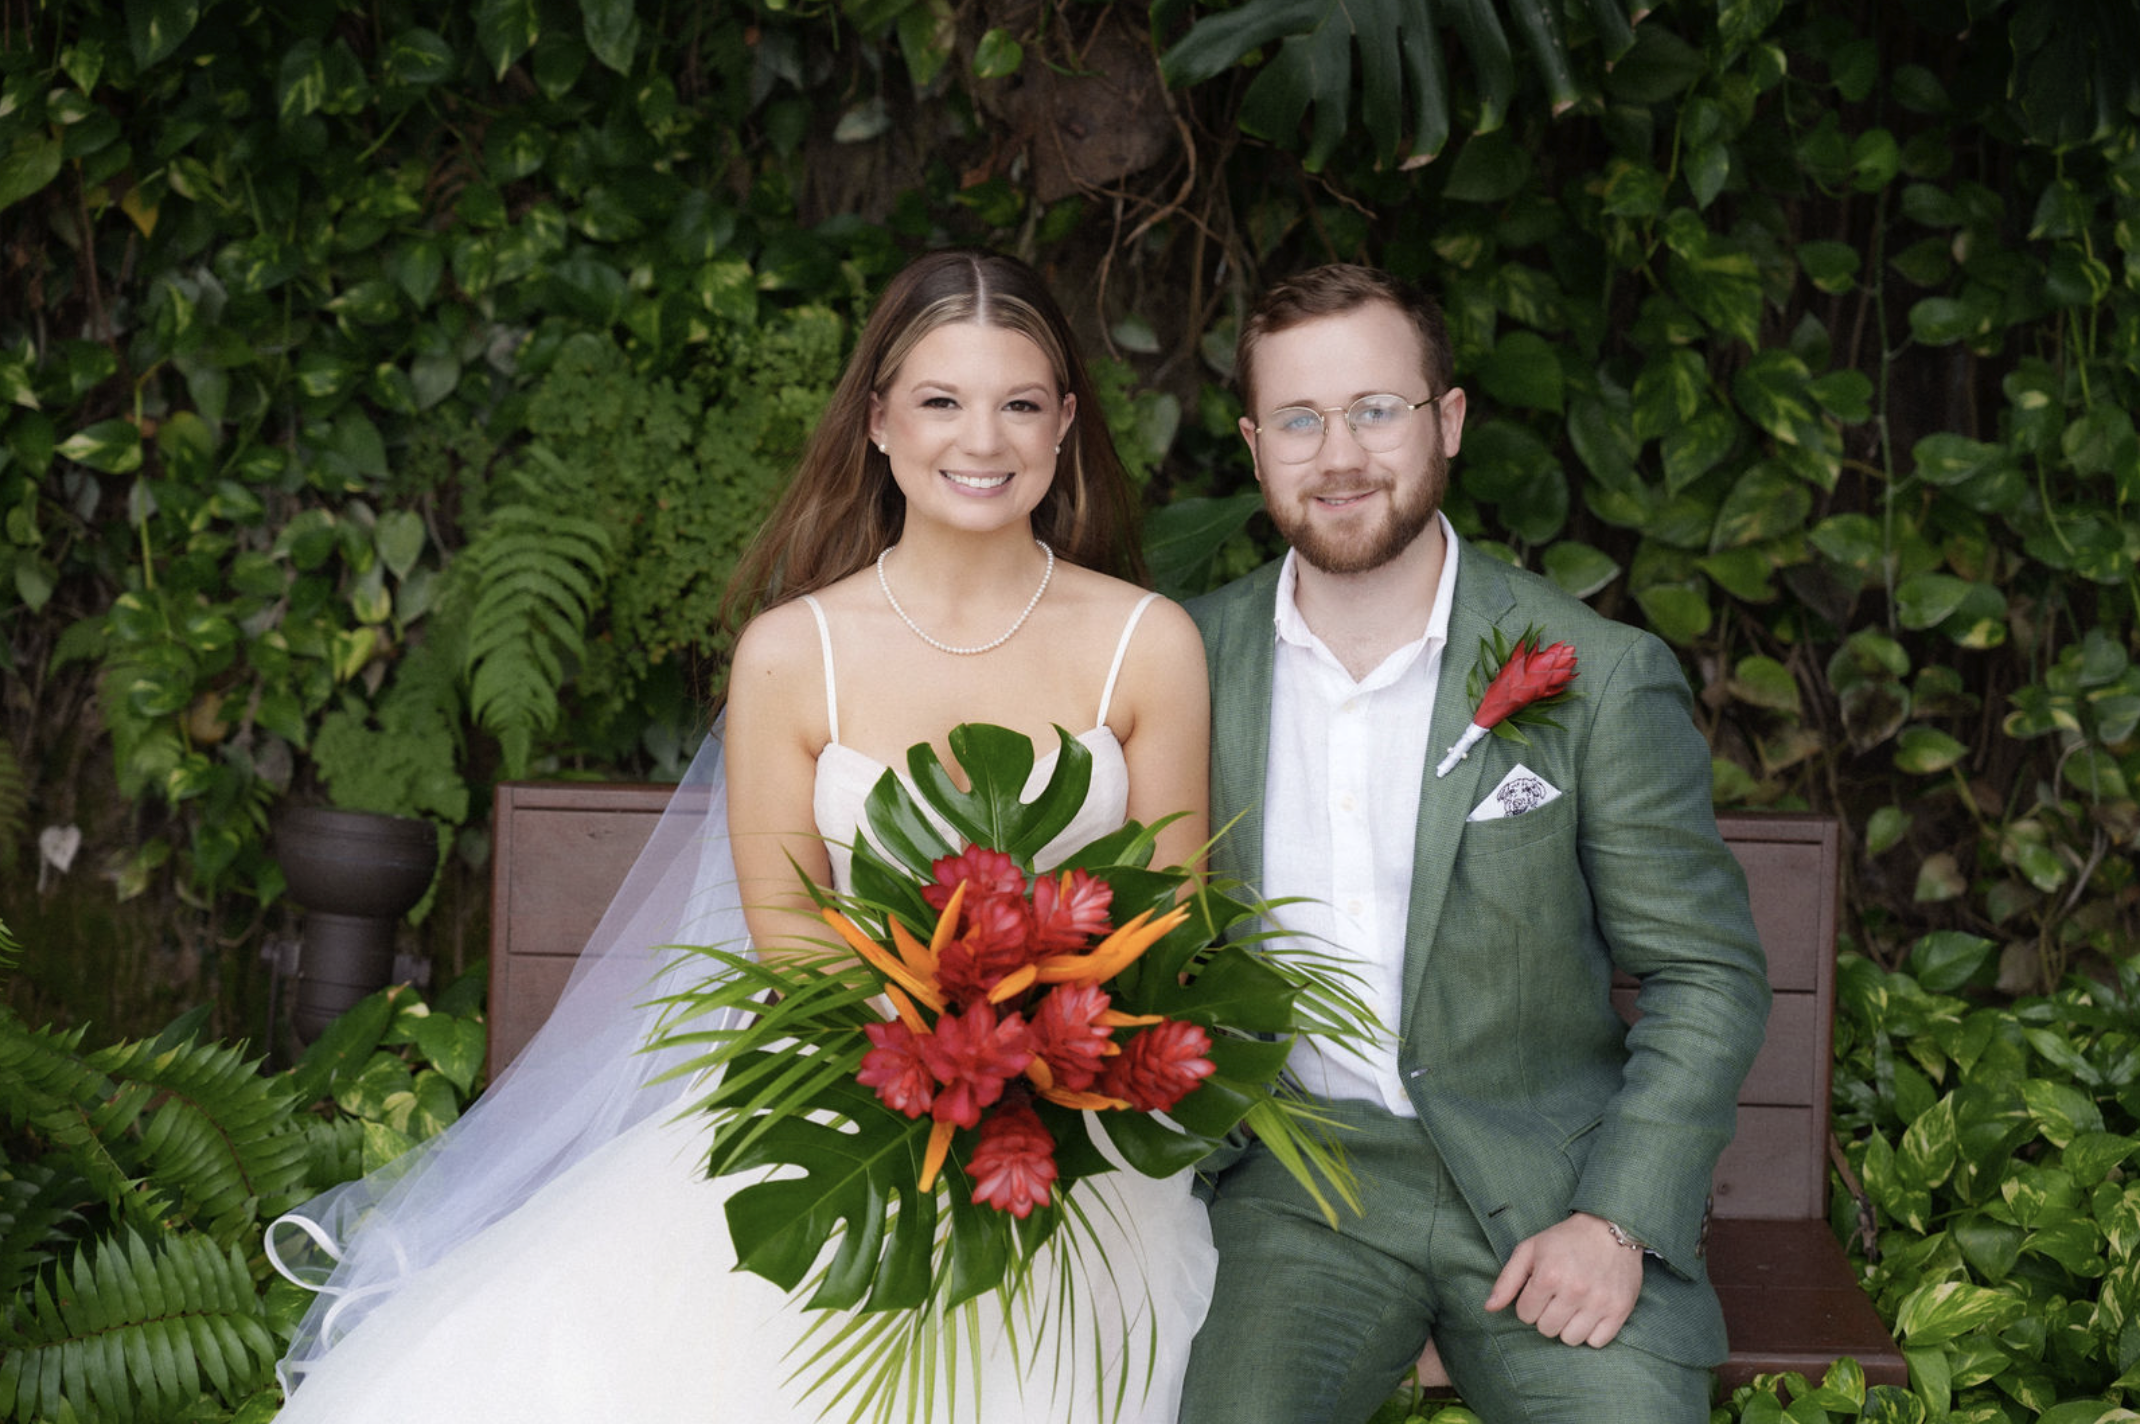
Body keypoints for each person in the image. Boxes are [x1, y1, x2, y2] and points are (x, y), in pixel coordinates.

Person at [267, 249, 1216, 1422]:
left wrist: (1037, 1073)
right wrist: (929, 1070)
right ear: (877, 422)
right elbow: (787, 923)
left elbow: (1169, 909)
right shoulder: (791, 649)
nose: (983, 439)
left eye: (1019, 402)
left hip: (1077, 1117)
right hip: (850, 1084)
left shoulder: (1148, 641)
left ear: (1066, 421)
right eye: (940, 400)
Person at [1175, 264, 1772, 1424]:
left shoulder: (1592, 670)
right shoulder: (1184, 663)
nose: (1338, 454)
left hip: (1546, 1181)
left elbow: (1704, 970)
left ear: (1445, 420)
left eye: (1375, 410)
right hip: (1298, 1189)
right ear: (1254, 448)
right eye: (1300, 419)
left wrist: (1617, 1215)